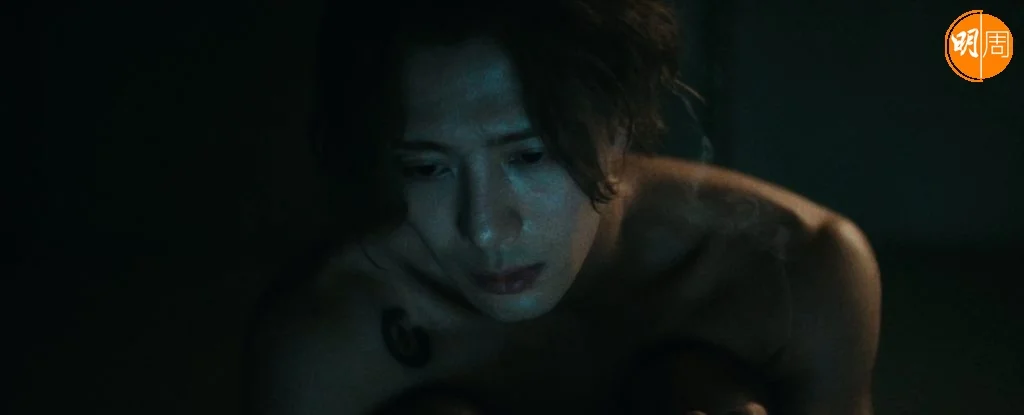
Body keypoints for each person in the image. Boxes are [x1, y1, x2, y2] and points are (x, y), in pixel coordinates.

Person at [244, 0, 882, 414]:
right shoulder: (335, 336)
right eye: (429, 167)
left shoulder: (794, 268)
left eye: (529, 155)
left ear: (620, 123)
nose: (484, 227)